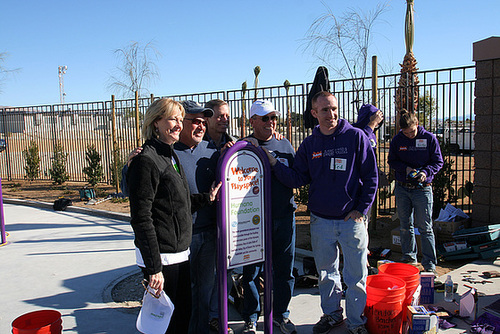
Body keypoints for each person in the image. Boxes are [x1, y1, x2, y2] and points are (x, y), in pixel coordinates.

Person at [260, 91, 378, 334]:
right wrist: (273, 164)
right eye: (324, 110)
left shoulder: (355, 137)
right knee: (326, 273)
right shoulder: (310, 144)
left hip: (350, 221)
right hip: (321, 221)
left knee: (356, 276)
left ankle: (357, 323)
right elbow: (297, 177)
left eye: (334, 108)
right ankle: (333, 315)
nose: (331, 114)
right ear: (314, 113)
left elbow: (371, 177)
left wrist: (361, 209)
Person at [127, 98, 219, 334]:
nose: (178, 125)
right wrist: (154, 268)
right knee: (166, 325)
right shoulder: (146, 160)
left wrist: (207, 198)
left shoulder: (169, 155)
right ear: (156, 122)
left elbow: (178, 203)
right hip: (162, 259)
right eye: (172, 119)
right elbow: (141, 218)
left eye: (180, 119)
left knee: (182, 317)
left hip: (179, 253)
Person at [241, 100, 297, 334]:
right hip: (254, 222)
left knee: (284, 270)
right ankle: (252, 318)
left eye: (273, 118)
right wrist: (245, 145)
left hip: (283, 217)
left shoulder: (285, 145)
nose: (271, 122)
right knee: (251, 272)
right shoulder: (243, 146)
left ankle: (280, 315)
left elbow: (296, 178)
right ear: (252, 120)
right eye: (265, 118)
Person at [388, 111, 443, 273]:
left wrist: (425, 172)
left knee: (425, 227)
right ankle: (409, 257)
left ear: (417, 124)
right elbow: (392, 160)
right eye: (406, 133)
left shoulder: (429, 139)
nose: (410, 135)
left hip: (422, 189)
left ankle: (430, 263)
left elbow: (438, 161)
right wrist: (405, 169)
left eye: (412, 131)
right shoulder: (398, 140)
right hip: (402, 187)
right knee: (405, 224)